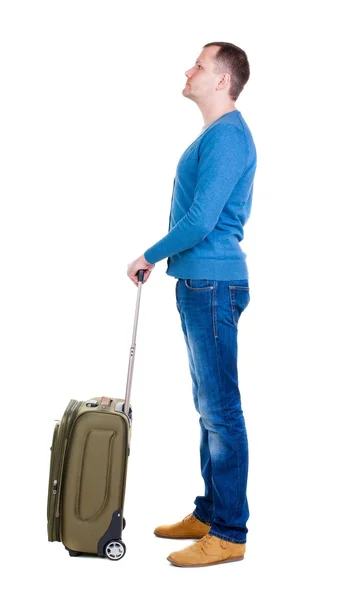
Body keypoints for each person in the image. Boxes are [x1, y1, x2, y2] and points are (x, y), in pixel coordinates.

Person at [127, 41, 257, 568]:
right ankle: (210, 512)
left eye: (200, 65)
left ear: (222, 80)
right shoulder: (216, 134)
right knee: (210, 410)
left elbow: (202, 220)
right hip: (201, 285)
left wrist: (148, 255)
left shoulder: (227, 136)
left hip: (212, 285)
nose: (189, 70)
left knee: (222, 412)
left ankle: (229, 532)